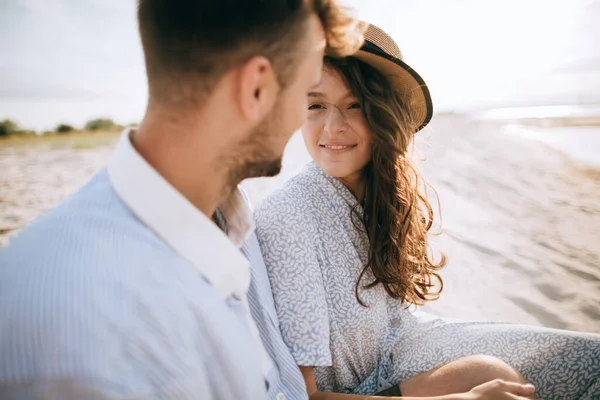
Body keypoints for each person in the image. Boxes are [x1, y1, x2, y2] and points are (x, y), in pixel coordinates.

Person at [0, 1, 363, 399]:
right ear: (256, 87)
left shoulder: (226, 217)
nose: (302, 121)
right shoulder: (99, 330)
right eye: (306, 92)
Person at [255, 23, 600, 399]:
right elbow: (301, 396)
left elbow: (393, 320)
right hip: (370, 386)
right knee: (499, 374)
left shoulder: (378, 193)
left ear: (387, 115)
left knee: (589, 360)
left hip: (409, 343)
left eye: (355, 104)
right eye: (316, 105)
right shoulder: (288, 217)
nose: (333, 126)